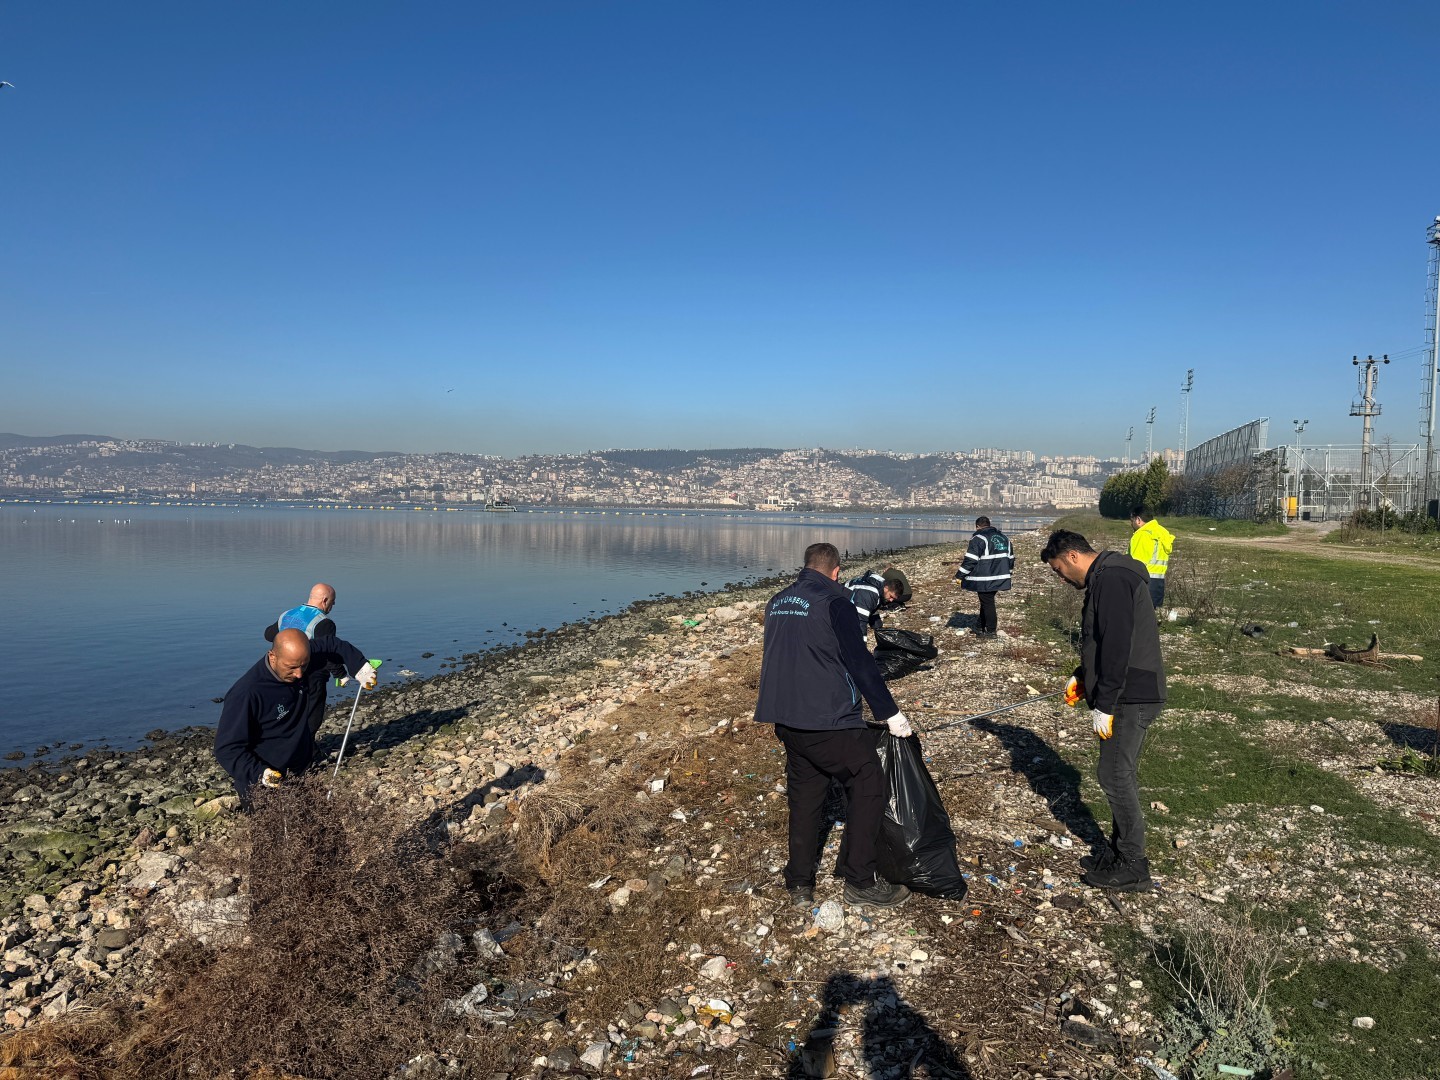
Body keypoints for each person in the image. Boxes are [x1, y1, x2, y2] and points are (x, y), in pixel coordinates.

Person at [754, 542, 914, 911]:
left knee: (806, 798)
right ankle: (859, 881)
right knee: (869, 782)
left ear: (806, 565)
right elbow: (859, 661)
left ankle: (799, 883)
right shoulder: (836, 602)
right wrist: (890, 714)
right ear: (836, 571)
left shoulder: (778, 601)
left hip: (785, 717)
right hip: (827, 718)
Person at [1041, 530, 1166, 891]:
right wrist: (1083, 677)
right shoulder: (1106, 576)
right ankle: (1118, 851)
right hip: (1126, 691)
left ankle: (1133, 865)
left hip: (1132, 694)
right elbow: (1100, 641)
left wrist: (1106, 703)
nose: (1062, 578)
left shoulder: (1111, 579)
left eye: (1059, 570)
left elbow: (1116, 645)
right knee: (1114, 772)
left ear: (1073, 557)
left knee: (1114, 775)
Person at [215, 628, 377, 802]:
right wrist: (261, 773)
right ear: (272, 657)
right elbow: (226, 749)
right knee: (274, 829)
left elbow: (332, 644)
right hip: (262, 785)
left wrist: (359, 665)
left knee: (318, 824)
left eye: (304, 665)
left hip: (301, 770)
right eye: (291, 667)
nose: (299, 674)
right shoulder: (247, 693)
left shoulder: (299, 658)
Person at [263, 583, 341, 735]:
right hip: (311, 675)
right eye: (333, 601)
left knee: (288, 713)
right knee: (312, 715)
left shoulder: (287, 614)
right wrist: (340, 674)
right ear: (325, 600)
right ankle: (307, 750)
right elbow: (329, 652)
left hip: (282, 673)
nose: (333, 605)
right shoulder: (324, 623)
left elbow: (268, 635)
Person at [953, 516, 1014, 636]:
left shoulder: (978, 538)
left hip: (985, 578)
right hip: (1000, 577)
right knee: (986, 602)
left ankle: (991, 631)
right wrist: (1009, 573)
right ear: (989, 524)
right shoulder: (1004, 538)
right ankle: (979, 626)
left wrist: (959, 575)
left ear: (977, 526)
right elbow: (1011, 559)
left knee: (988, 602)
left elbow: (970, 560)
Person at [1128, 507, 1174, 609]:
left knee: (1137, 618)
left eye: (1132, 521)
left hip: (1142, 581)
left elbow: (1137, 563)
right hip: (1158, 582)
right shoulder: (1162, 532)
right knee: (1150, 617)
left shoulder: (1142, 534)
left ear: (1138, 520)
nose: (1131, 524)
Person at [844, 568, 905, 634]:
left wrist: (880, 630)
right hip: (839, 604)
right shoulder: (869, 594)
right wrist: (862, 642)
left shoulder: (879, 589)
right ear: (886, 588)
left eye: (893, 599)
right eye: (891, 596)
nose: (891, 600)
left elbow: (872, 610)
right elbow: (860, 621)